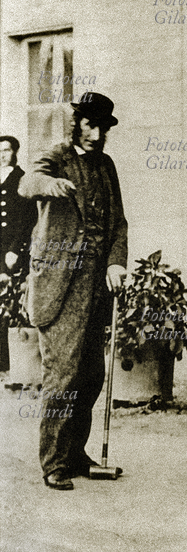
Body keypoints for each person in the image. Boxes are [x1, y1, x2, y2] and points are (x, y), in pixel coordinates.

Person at [19, 93, 128, 490]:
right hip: (60, 285)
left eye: (103, 127)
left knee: (91, 374)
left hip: (96, 285)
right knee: (62, 374)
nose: (97, 134)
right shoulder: (57, 155)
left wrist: (116, 262)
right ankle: (54, 463)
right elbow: (28, 182)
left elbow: (119, 221)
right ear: (77, 122)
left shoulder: (106, 165)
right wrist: (52, 185)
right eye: (90, 125)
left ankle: (76, 454)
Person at [0, 136, 36, 378]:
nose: (2, 155)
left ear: (15, 152)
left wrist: (15, 249)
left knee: (11, 304)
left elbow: (26, 220)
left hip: (14, 252)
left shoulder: (21, 179)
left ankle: (13, 364)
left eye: (6, 150)